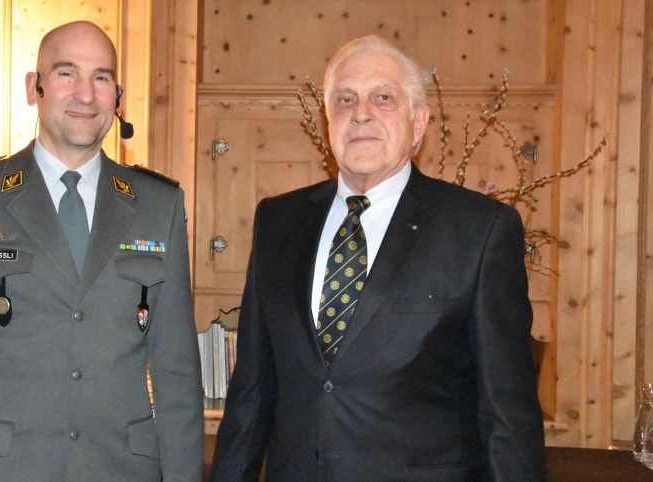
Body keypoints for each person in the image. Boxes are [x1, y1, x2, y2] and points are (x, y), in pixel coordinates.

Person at [210, 35, 545, 481]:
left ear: (419, 122)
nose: (361, 113)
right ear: (328, 122)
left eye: (382, 98)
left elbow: (509, 414)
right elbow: (251, 393)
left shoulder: (479, 230)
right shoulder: (277, 222)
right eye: (345, 100)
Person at [0, 21, 203, 481]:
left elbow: (178, 379)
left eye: (101, 78)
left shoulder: (159, 205)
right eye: (66, 74)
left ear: (118, 98)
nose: (85, 95)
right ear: (33, 88)